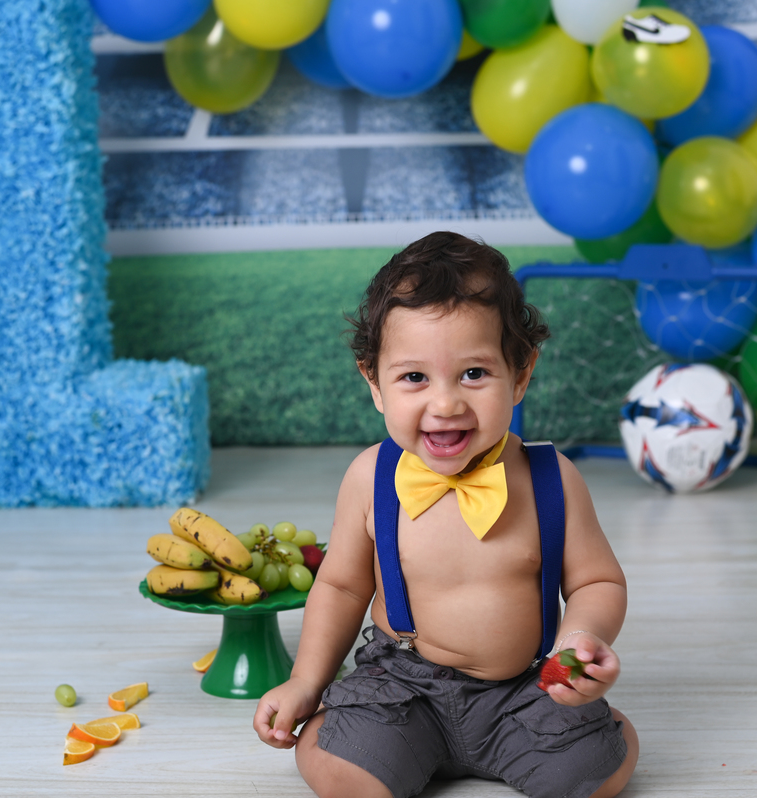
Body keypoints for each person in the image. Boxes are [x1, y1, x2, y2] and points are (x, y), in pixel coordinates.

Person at [253, 231, 638, 798]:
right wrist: (306, 681)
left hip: (526, 688)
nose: (445, 403)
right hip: (402, 687)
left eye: (474, 374)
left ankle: (571, 738)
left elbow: (597, 581)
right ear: (374, 384)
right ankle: (385, 752)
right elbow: (340, 587)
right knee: (334, 758)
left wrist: (578, 642)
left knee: (598, 764)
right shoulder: (371, 477)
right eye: (414, 377)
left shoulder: (551, 479)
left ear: (521, 374)